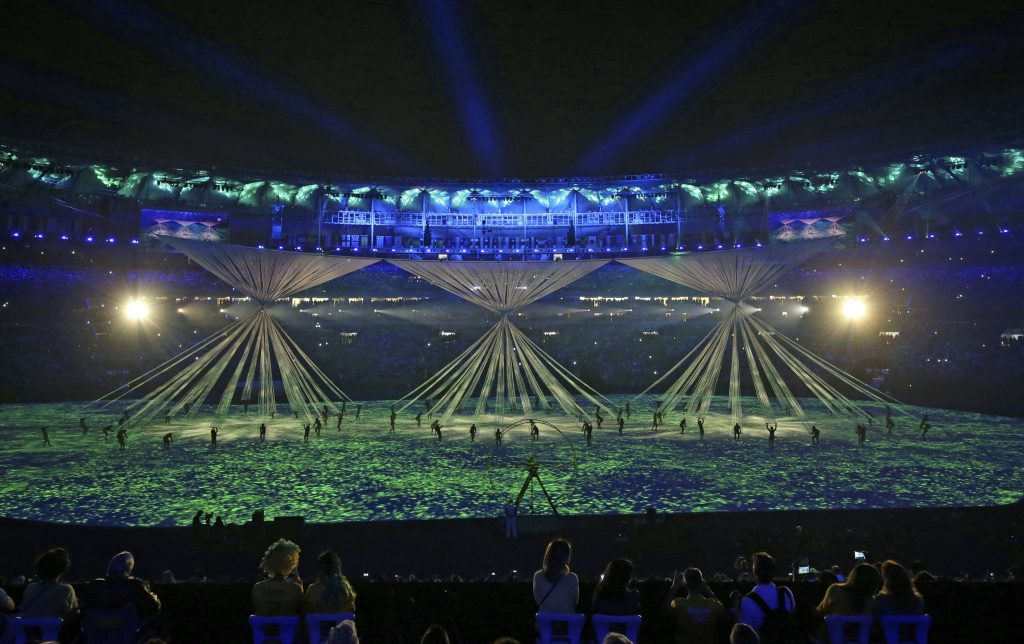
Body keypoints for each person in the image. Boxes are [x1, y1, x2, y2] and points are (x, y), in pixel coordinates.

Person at [80, 551, 161, 626]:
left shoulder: (94, 586)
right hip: (127, 635)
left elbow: (82, 611)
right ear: (128, 569)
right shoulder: (134, 586)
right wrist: (154, 597)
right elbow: (153, 608)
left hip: (96, 635)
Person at [814, 563, 881, 639]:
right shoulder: (872, 602)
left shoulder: (835, 590)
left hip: (830, 637)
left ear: (853, 576)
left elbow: (822, 611)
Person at [739, 552, 795, 641]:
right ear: (773, 572)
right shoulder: (787, 593)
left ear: (754, 573)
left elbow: (744, 636)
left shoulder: (747, 601)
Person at [664, 567, 727, 644]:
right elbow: (721, 607)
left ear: (684, 584)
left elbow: (666, 607)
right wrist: (706, 588)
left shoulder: (678, 604)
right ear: (701, 582)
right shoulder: (712, 604)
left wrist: (674, 585)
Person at [19, 547, 79, 623]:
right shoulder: (66, 589)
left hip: (30, 631)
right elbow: (74, 615)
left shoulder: (30, 587)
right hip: (54, 632)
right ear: (61, 570)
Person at [252, 539, 303, 616]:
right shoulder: (295, 588)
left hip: (263, 627)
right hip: (287, 627)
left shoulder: (258, 587)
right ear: (292, 562)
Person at [533, 539, 579, 613]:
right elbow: (574, 602)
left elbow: (538, 600)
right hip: (567, 622)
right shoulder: (572, 578)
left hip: (545, 622)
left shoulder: (538, 576)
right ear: (567, 558)